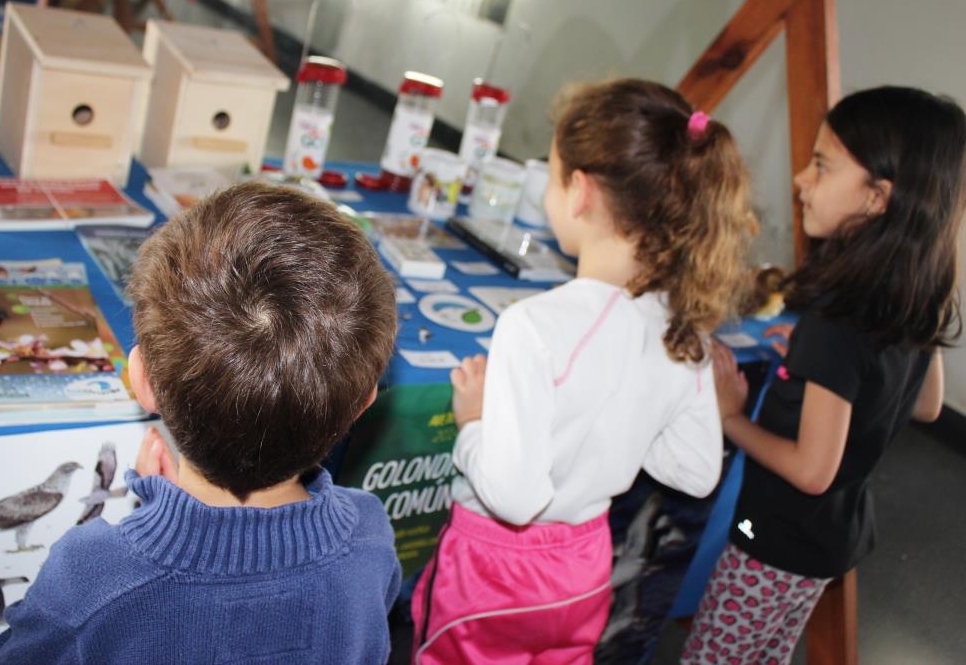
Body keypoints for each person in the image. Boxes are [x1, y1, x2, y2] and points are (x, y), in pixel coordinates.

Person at [411, 78, 758, 663]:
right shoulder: (682, 332)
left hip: (494, 576)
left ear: (580, 192)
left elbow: (515, 499)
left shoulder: (533, 326)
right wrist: (620, 427)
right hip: (584, 570)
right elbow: (697, 472)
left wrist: (473, 424)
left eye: (551, 176)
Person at [0, 183, 401, 664]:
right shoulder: (370, 535)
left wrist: (158, 524)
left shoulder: (92, 577)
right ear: (364, 403)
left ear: (142, 381)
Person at [682, 86, 965, 665]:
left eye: (821, 165)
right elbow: (926, 405)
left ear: (877, 198)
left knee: (712, 657)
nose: (800, 179)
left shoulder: (837, 319)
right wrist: (822, 371)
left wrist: (730, 417)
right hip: (830, 540)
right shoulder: (915, 294)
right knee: (765, 656)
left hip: (770, 540)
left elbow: (812, 471)